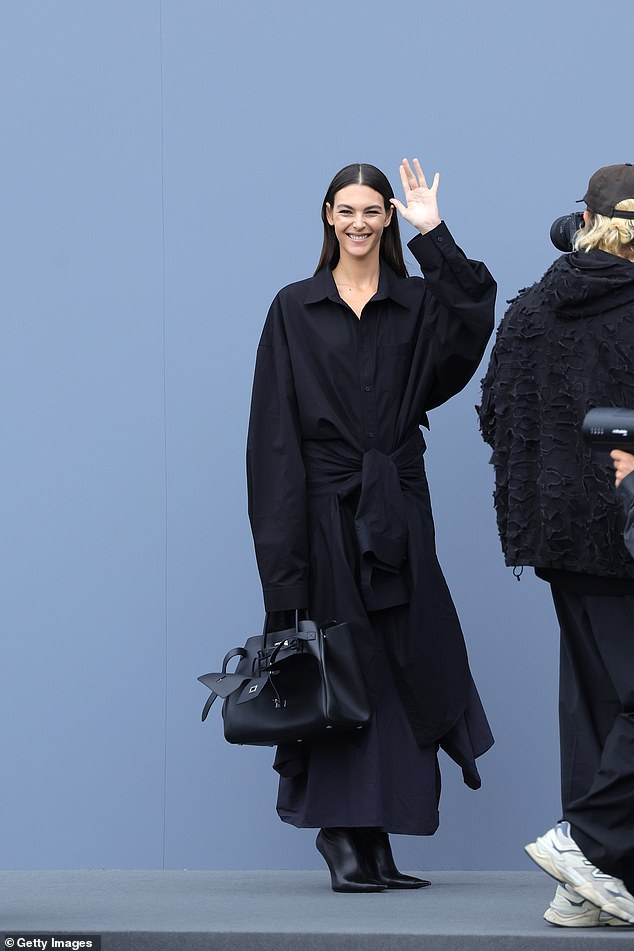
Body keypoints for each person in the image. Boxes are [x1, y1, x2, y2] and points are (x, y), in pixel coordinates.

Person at [246, 158, 496, 892]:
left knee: (400, 663)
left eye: (373, 211)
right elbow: (273, 439)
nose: (359, 223)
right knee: (336, 664)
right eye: (346, 210)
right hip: (324, 511)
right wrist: (282, 566)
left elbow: (474, 313)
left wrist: (435, 230)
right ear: (327, 216)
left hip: (398, 510)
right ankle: (339, 836)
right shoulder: (293, 307)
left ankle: (377, 836)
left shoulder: (416, 304)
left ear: (388, 218)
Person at [479, 163, 634, 926]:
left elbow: (494, 413)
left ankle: (588, 890)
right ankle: (589, 845)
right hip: (625, 527)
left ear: (582, 217)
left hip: (555, 535)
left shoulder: (535, 304)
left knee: (596, 707)